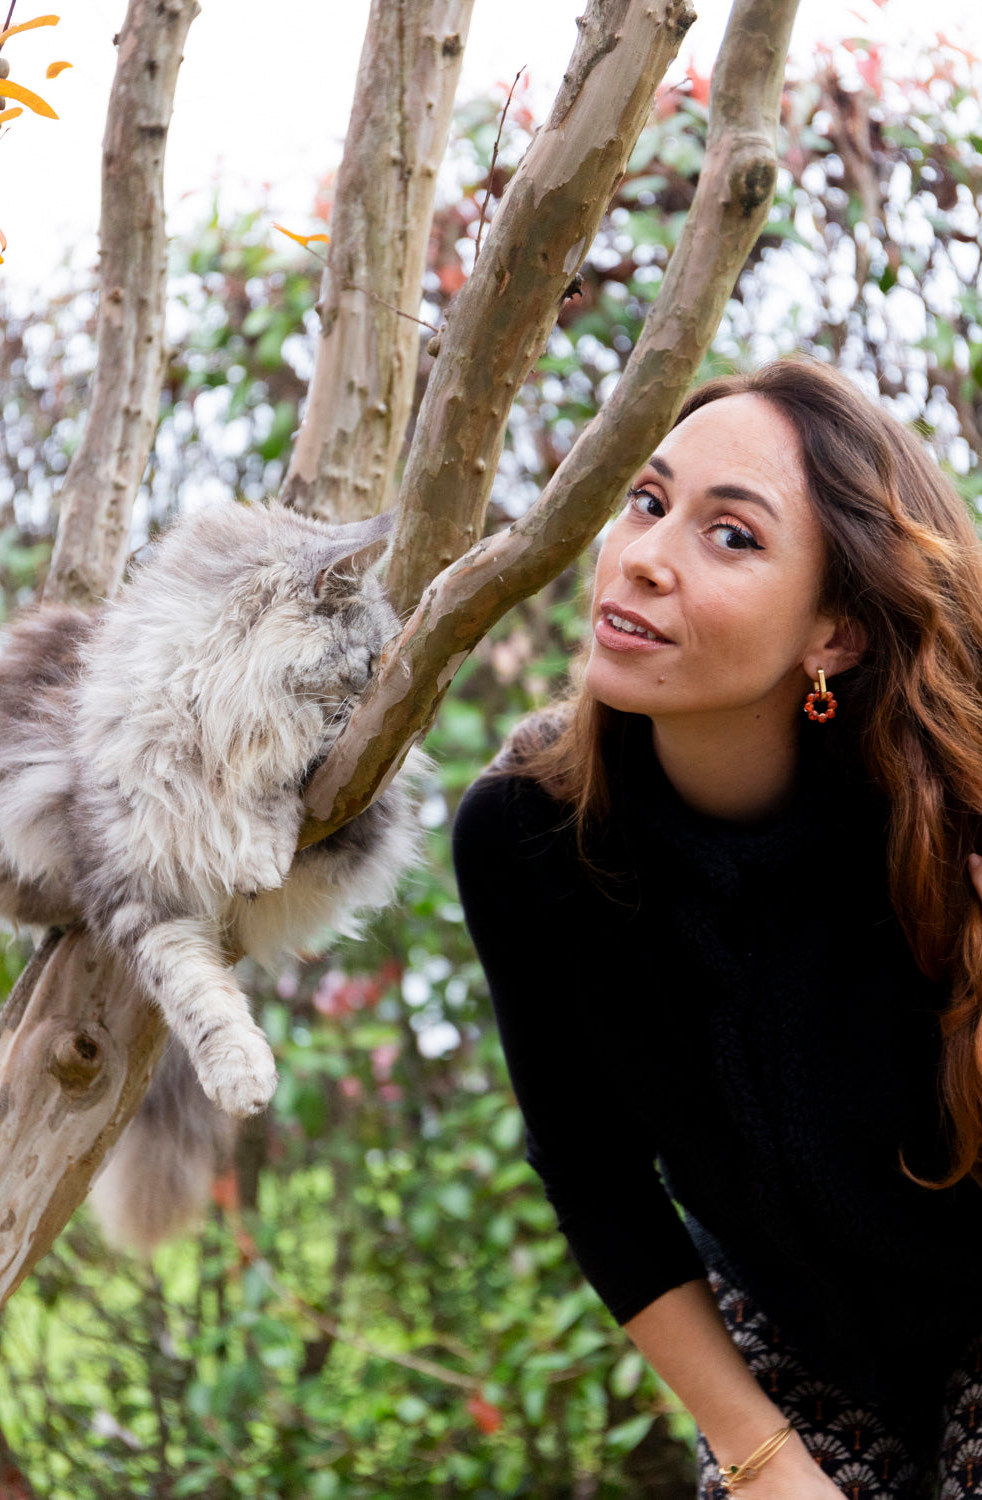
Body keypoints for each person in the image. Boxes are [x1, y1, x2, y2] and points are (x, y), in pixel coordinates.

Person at [451, 358, 982, 1500]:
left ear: (834, 633)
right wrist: (757, 1459)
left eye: (730, 536)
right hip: (788, 1344)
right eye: (648, 502)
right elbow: (594, 1174)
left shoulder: (952, 812)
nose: (642, 554)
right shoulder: (526, 838)